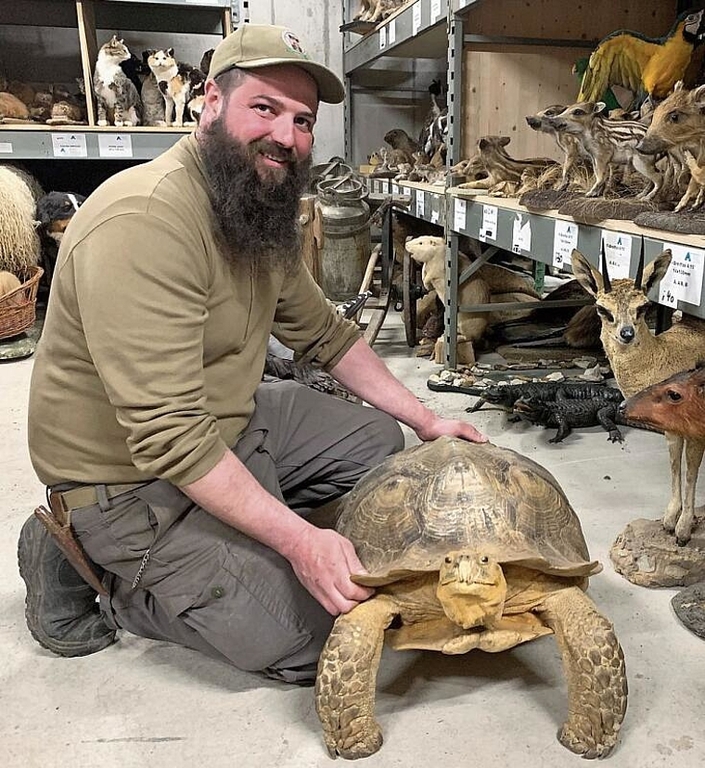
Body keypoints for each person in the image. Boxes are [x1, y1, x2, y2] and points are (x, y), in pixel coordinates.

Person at [20, 24, 486, 683]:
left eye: (302, 120)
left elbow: (325, 334)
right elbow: (171, 439)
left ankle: (237, 537)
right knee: (323, 638)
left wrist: (426, 419)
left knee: (378, 439)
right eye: (264, 108)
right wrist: (300, 544)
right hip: (127, 480)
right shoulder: (144, 222)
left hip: (226, 424)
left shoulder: (253, 205)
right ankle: (93, 571)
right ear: (210, 101)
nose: (287, 136)